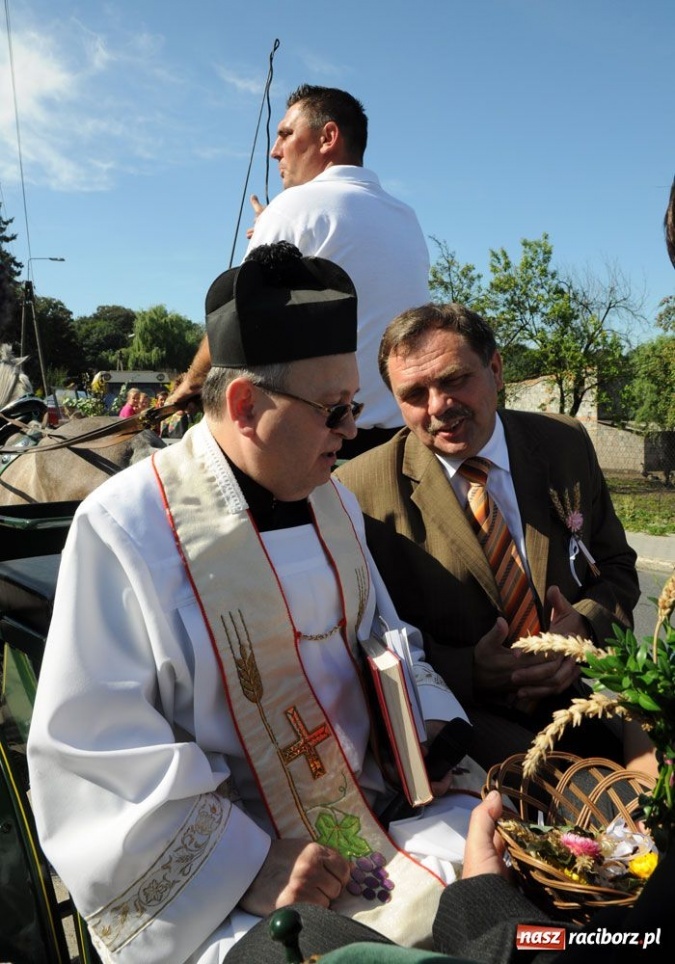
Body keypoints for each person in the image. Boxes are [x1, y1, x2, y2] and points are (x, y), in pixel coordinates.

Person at [27, 243, 481, 964]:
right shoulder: (127, 527)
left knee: (506, 888)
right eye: (334, 410)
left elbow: (387, 639)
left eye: (353, 406)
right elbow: (96, 753)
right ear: (243, 405)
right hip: (243, 877)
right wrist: (244, 864)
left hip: (383, 804)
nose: (349, 433)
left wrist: (431, 742)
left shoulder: (329, 499)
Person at [335, 303, 643, 771]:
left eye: (454, 379)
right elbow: (361, 644)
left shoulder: (563, 444)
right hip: (466, 725)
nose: (438, 406)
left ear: (495, 369)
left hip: (583, 700)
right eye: (415, 393)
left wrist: (583, 627)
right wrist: (469, 671)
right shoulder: (359, 493)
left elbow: (617, 567)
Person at [169, 84, 430, 458]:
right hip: (400, 443)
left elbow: (237, 316)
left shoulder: (295, 207)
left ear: (328, 137)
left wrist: (190, 384)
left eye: (286, 135)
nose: (275, 151)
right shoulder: (405, 216)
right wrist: (275, 233)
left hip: (327, 444)